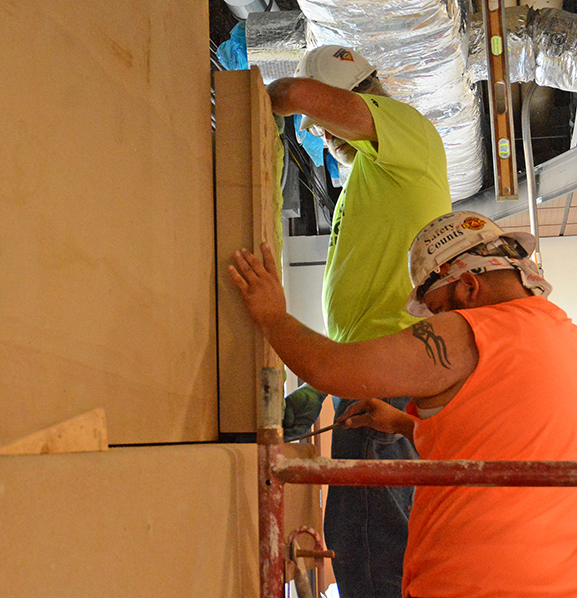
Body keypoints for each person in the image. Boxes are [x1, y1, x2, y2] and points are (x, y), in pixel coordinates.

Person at [228, 210, 577, 597]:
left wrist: (273, 315)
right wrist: (403, 424)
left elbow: (329, 368)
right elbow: (511, 444)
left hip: (470, 582)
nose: (441, 318)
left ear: (468, 288)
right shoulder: (565, 338)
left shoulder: (471, 330)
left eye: (440, 308)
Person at [266, 45, 452, 598]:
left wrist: (259, 102)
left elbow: (296, 95)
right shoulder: (375, 170)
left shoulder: (408, 133)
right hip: (370, 382)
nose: (322, 139)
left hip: (385, 385)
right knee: (364, 543)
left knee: (371, 555)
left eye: (323, 128)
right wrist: (325, 381)